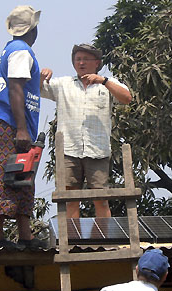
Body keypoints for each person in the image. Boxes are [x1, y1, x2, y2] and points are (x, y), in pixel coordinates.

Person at [40, 44, 132, 219]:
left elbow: (127, 98)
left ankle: (103, 244)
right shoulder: (63, 84)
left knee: (101, 198)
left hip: (97, 150)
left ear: (96, 62)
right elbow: (39, 90)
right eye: (77, 59)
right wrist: (42, 76)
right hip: (68, 149)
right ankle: (74, 244)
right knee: (70, 199)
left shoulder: (108, 83)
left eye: (85, 59)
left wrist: (103, 81)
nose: (81, 63)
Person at [0, 5, 46, 250]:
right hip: (10, 122)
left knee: (22, 175)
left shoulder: (12, 49)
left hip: (13, 122)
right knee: (7, 175)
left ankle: (25, 236)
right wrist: (21, 128)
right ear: (33, 29)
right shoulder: (21, 51)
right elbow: (16, 88)